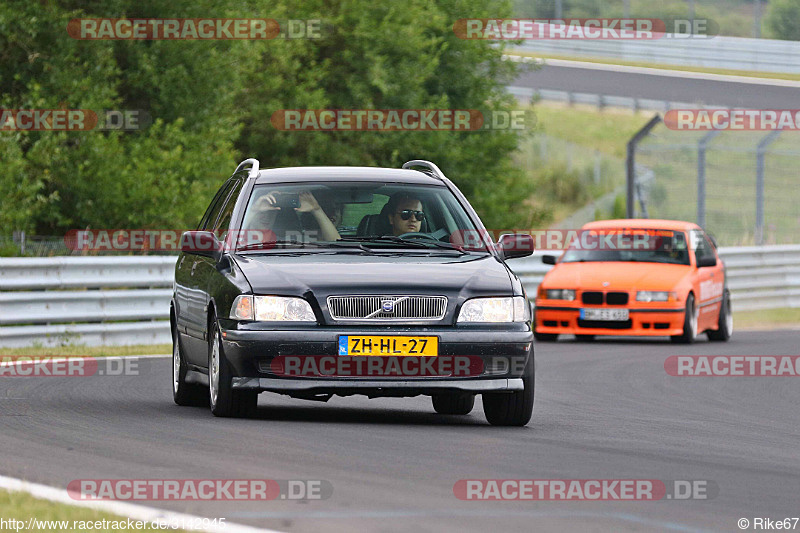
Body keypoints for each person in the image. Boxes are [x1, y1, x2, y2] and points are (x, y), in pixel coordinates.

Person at [243, 190, 340, 241]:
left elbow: (336, 245)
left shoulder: (291, 242)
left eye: (271, 212)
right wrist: (252, 210)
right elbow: (228, 245)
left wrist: (317, 210)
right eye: (261, 212)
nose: (266, 217)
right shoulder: (239, 243)